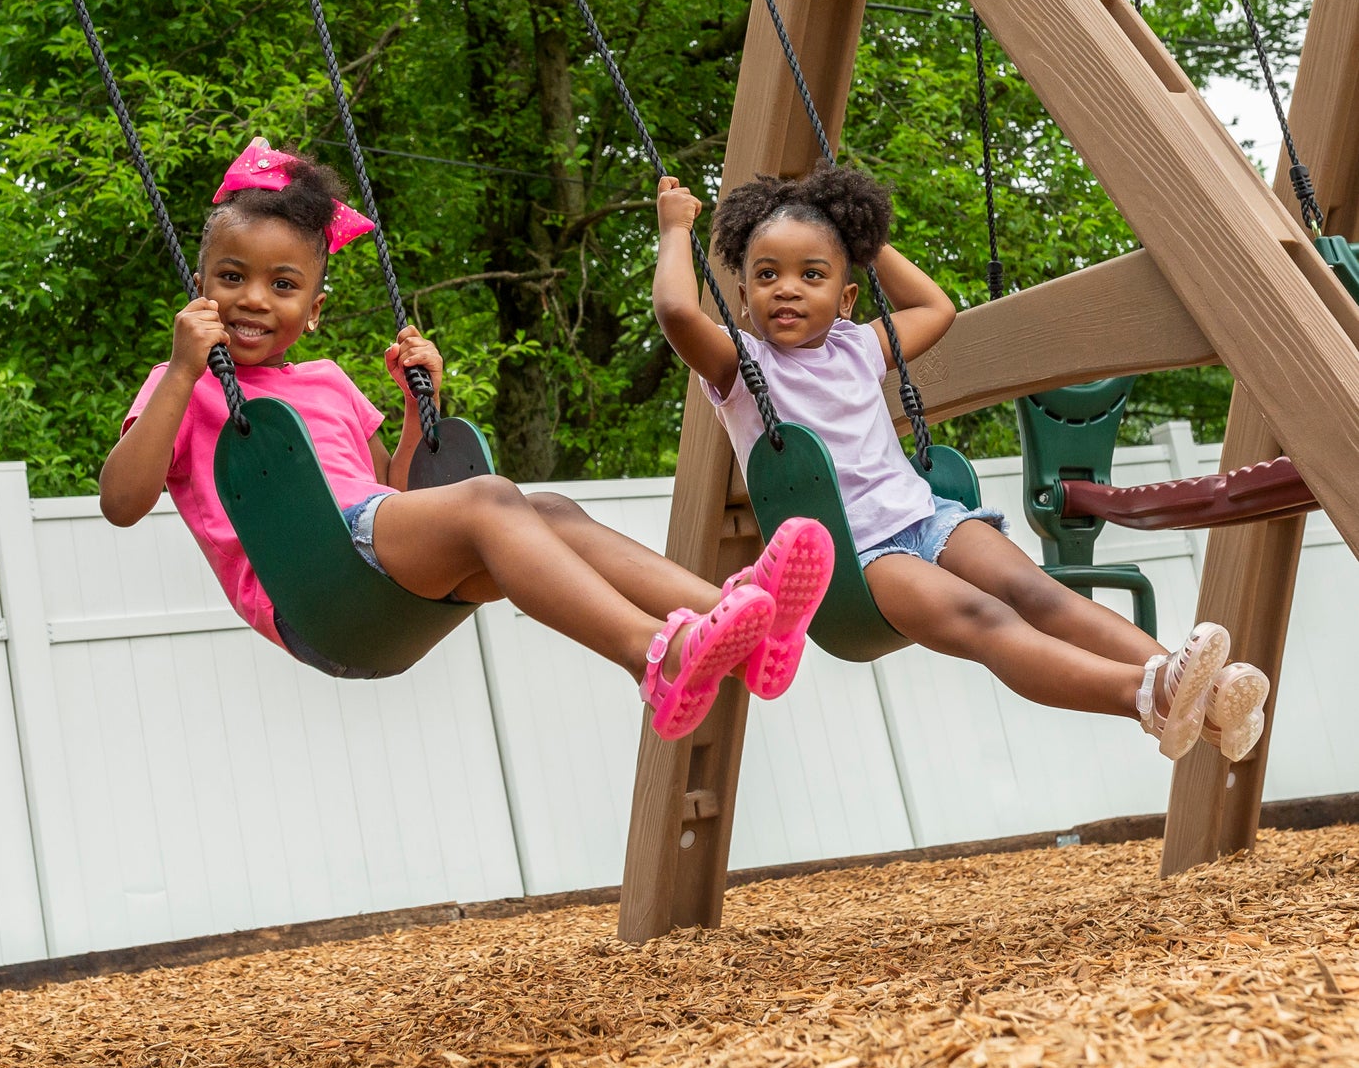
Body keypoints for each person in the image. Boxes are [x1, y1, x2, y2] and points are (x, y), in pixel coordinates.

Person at [99, 137, 836, 741]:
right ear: (200, 283)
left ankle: (739, 617)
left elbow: (395, 491)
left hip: (379, 571)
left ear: (315, 308)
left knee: (545, 511)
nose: (254, 298)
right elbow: (122, 500)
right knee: (490, 500)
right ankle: (652, 651)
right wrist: (184, 368)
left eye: (282, 284)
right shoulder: (185, 380)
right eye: (232, 276)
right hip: (316, 590)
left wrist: (422, 404)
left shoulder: (324, 382)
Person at [651, 164, 1271, 762]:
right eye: (766, 275)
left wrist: (869, 245)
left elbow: (936, 309)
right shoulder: (744, 369)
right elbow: (679, 313)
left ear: (845, 298)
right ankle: (1144, 697)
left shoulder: (859, 346)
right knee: (986, 619)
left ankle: (1199, 698)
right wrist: (675, 229)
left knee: (1036, 590)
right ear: (743, 295)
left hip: (929, 519)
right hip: (857, 558)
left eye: (811, 275)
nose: (787, 288)